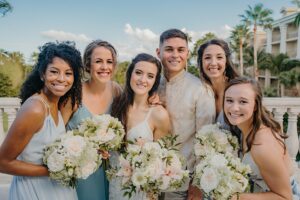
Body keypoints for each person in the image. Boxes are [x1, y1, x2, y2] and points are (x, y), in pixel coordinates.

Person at [0, 41, 83, 200]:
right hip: (34, 191)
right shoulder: (35, 108)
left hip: (57, 190)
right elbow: (3, 162)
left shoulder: (58, 104)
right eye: (54, 71)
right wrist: (55, 170)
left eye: (68, 73)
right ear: (42, 74)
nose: (61, 79)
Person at [156, 29, 215, 200]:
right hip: (149, 178)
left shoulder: (200, 90)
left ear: (187, 54)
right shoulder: (150, 84)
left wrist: (197, 184)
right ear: (158, 52)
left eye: (180, 50)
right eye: (169, 49)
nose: (175, 55)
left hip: (182, 182)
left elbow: (207, 140)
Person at [61, 40, 121, 200]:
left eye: (109, 62)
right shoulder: (73, 95)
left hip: (111, 172)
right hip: (82, 175)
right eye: (98, 61)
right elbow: (56, 138)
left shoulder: (116, 90)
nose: (104, 67)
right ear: (88, 65)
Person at [223, 77, 300, 200]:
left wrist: (237, 197)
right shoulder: (243, 128)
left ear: (255, 105)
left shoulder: (262, 146)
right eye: (229, 100)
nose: (234, 108)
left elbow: (285, 197)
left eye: (243, 102)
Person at [110, 53, 171, 200]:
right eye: (138, 73)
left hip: (141, 192)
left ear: (155, 81)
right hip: (114, 186)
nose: (143, 80)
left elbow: (162, 161)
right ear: (130, 73)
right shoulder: (116, 105)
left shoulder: (159, 114)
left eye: (150, 76)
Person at [197, 39, 239, 128]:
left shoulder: (237, 90)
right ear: (201, 62)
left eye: (219, 57)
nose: (213, 63)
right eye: (207, 58)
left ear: (226, 61)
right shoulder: (199, 91)